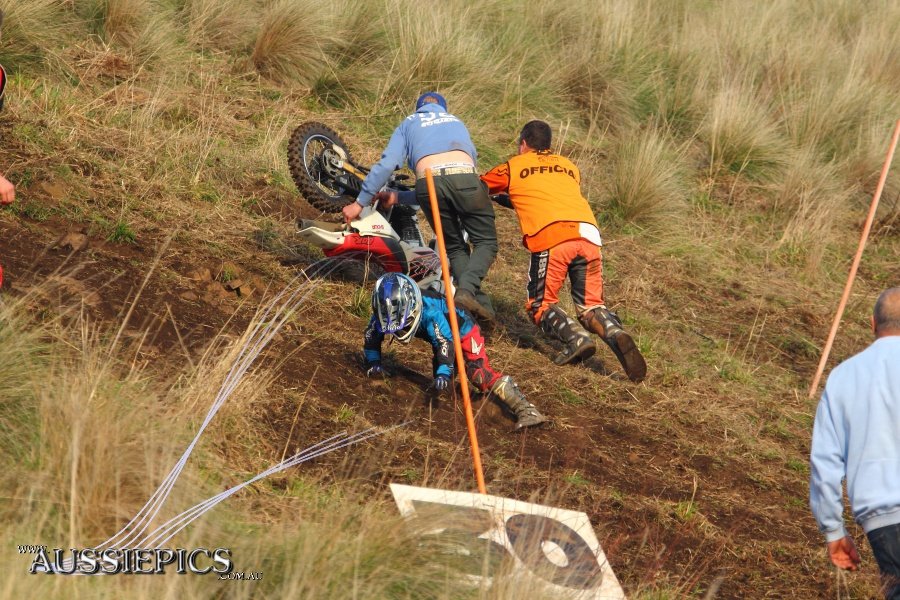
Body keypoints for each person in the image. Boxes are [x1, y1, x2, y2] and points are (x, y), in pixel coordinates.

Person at [480, 120, 646, 382]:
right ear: (549, 145)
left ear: (523, 144)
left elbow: (478, 187)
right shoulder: (569, 167)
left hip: (553, 236)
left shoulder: (514, 165)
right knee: (591, 305)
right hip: (589, 235)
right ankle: (614, 331)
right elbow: (543, 194)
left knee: (540, 304)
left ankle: (575, 338)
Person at [342, 92, 498, 322]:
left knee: (453, 246)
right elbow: (457, 175)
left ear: (419, 109)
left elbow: (389, 165)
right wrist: (397, 197)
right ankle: (467, 294)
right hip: (465, 178)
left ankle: (477, 304)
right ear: (443, 109)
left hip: (429, 182)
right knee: (486, 242)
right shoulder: (456, 121)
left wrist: (359, 203)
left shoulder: (410, 122)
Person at [362, 273, 547, 430]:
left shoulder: (431, 313)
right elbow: (372, 337)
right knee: (443, 384)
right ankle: (475, 404)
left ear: (412, 306)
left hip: (464, 329)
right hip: (442, 335)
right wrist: (374, 364)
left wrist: (444, 371)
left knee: (478, 373)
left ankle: (526, 409)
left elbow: (445, 344)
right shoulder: (383, 312)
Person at [809, 287, 900, 598]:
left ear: (873, 324)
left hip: (882, 520)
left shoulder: (843, 376)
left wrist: (834, 530)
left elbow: (825, 461)